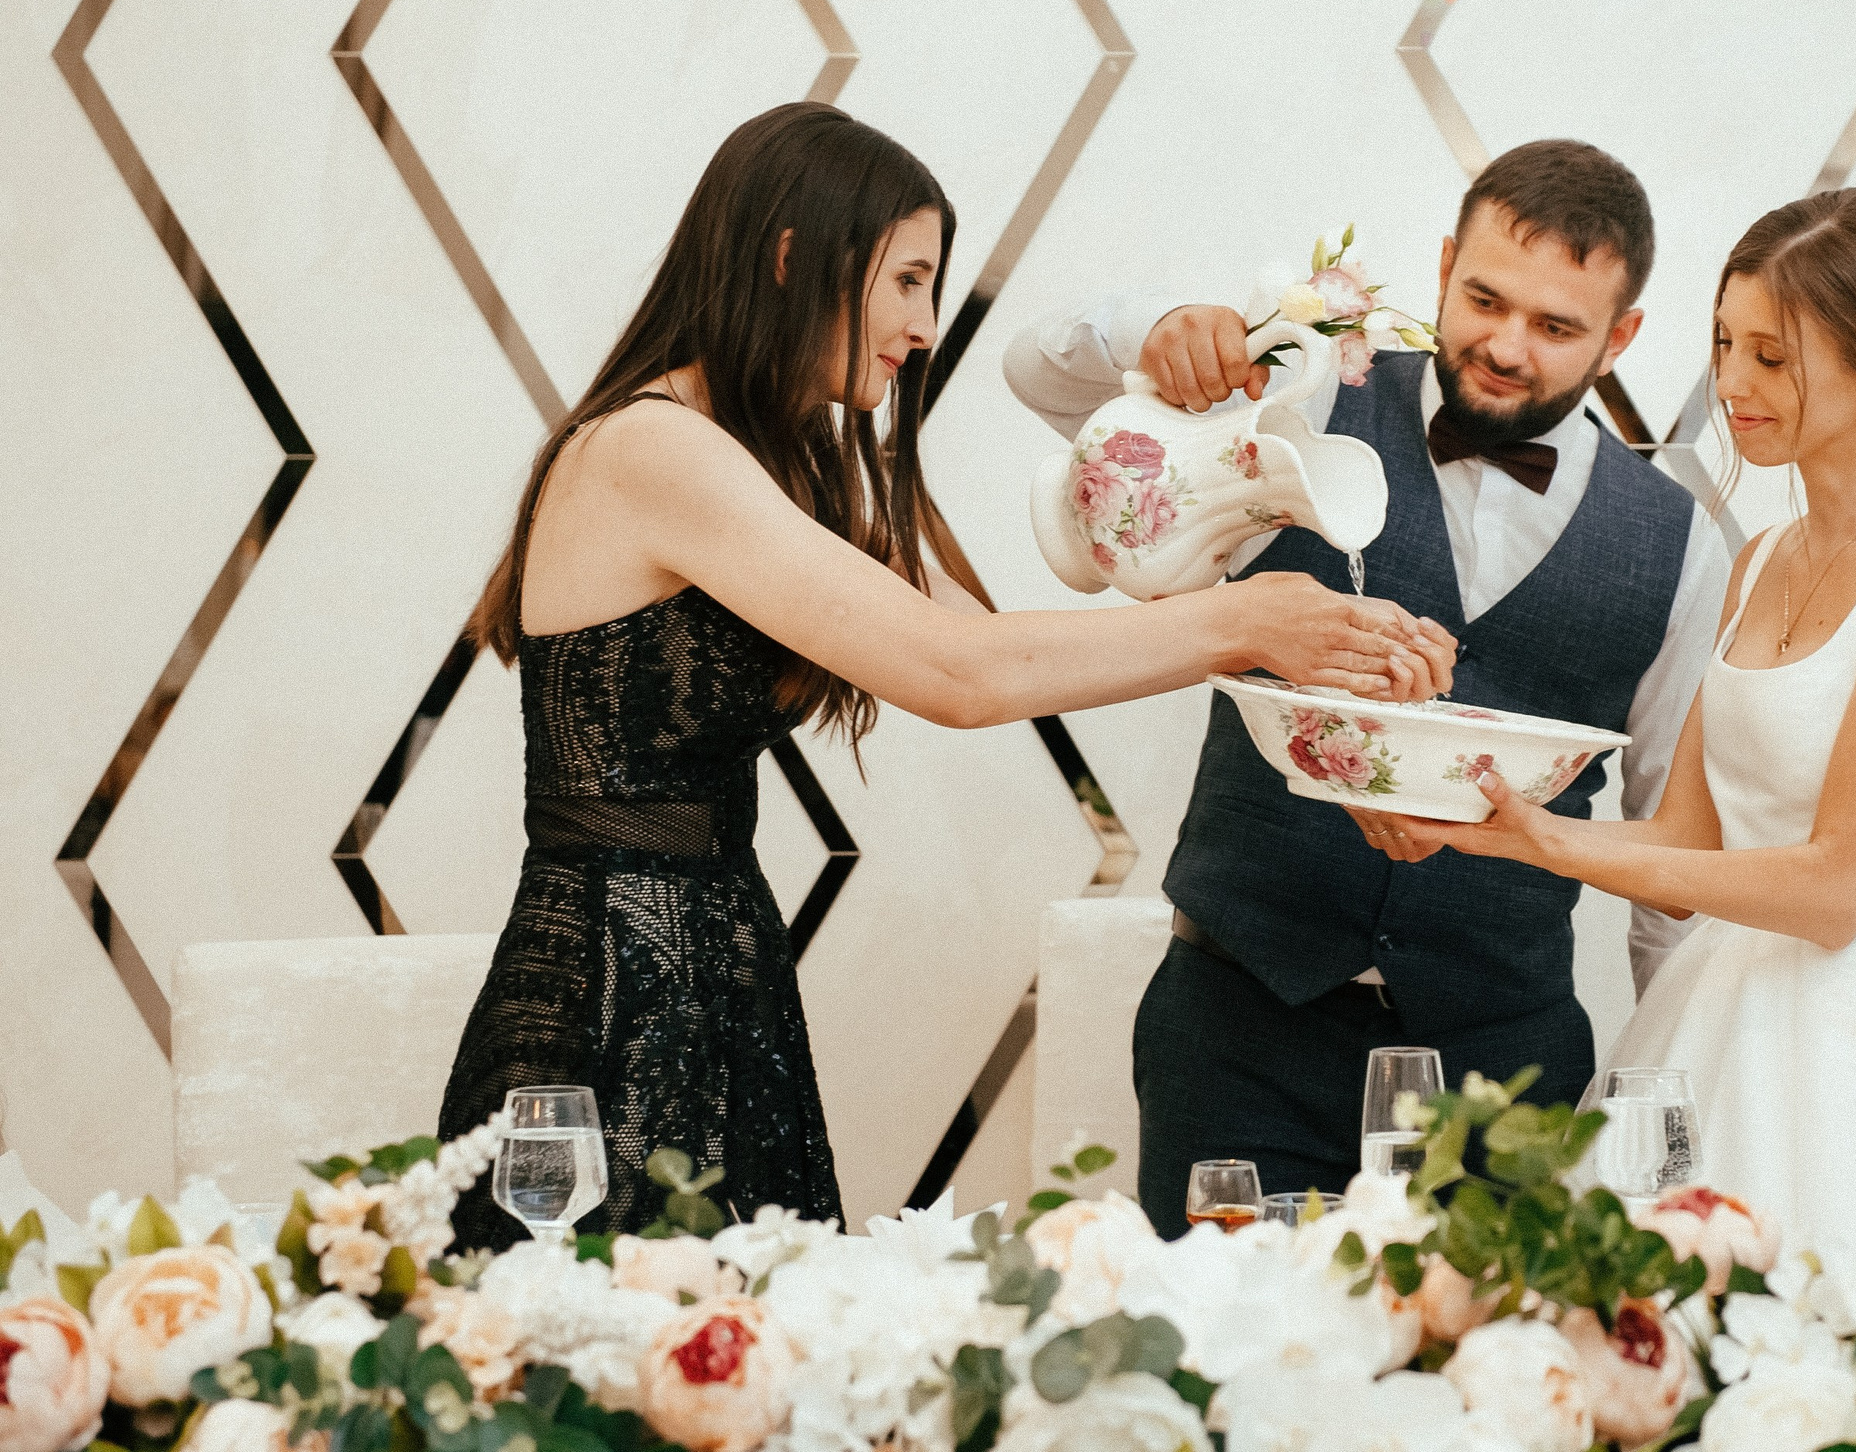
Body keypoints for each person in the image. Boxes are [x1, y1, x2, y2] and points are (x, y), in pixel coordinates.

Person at [436, 102, 1451, 1247]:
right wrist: (1246, 624)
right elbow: (958, 675)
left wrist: (1199, 484)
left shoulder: (791, 461)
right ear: (789, 255)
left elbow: (998, 648)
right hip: (610, 989)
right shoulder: (649, 448)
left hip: (722, 963)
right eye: (908, 280)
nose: (923, 327)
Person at [1006, 140, 1728, 1235]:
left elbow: (1671, 852)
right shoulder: (1293, 404)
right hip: (1238, 1036)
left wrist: (1671, 1093)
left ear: (1622, 336)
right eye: (1484, 298)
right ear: (1442, 265)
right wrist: (1151, 325)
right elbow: (1036, 374)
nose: (1504, 345)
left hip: (1507, 1081)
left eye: (1556, 326)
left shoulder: (1679, 545)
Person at [1363, 187, 1856, 1255]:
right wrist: (1482, 821)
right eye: (1724, 344)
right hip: (1714, 1011)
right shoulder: (1760, 559)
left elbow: (1836, 889)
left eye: (1774, 356)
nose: (1732, 384)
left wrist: (1552, 841)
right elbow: (1687, 839)